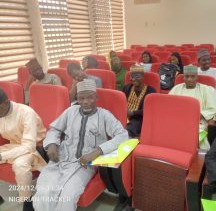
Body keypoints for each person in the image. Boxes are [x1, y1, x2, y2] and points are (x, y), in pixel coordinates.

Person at [32, 79, 128, 211]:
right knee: (44, 192)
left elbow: (122, 136)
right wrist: (52, 144)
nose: (85, 102)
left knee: (67, 196)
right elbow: (55, 129)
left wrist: (97, 151)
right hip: (61, 158)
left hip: (84, 164)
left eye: (90, 97)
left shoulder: (104, 115)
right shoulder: (70, 111)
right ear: (77, 98)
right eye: (81, 98)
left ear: (96, 97)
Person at [0, 89, 47, 211]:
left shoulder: (26, 112)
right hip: (14, 145)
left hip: (35, 147)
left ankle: (27, 201)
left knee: (20, 165)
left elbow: (29, 146)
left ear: (6, 102)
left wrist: (2, 156)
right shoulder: (1, 112)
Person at [169, 65, 216, 148]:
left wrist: (196, 115)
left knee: (195, 136)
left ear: (197, 77)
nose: (189, 79)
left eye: (192, 76)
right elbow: (168, 107)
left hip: (198, 123)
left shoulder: (207, 90)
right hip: (177, 121)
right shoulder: (176, 89)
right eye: (187, 76)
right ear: (183, 77)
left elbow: (214, 108)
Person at [122, 64, 156, 137]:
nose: (133, 79)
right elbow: (121, 103)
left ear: (143, 77)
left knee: (128, 130)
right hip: (124, 116)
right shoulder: (127, 88)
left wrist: (132, 113)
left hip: (139, 119)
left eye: (137, 76)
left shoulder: (151, 91)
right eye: (132, 76)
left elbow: (150, 110)